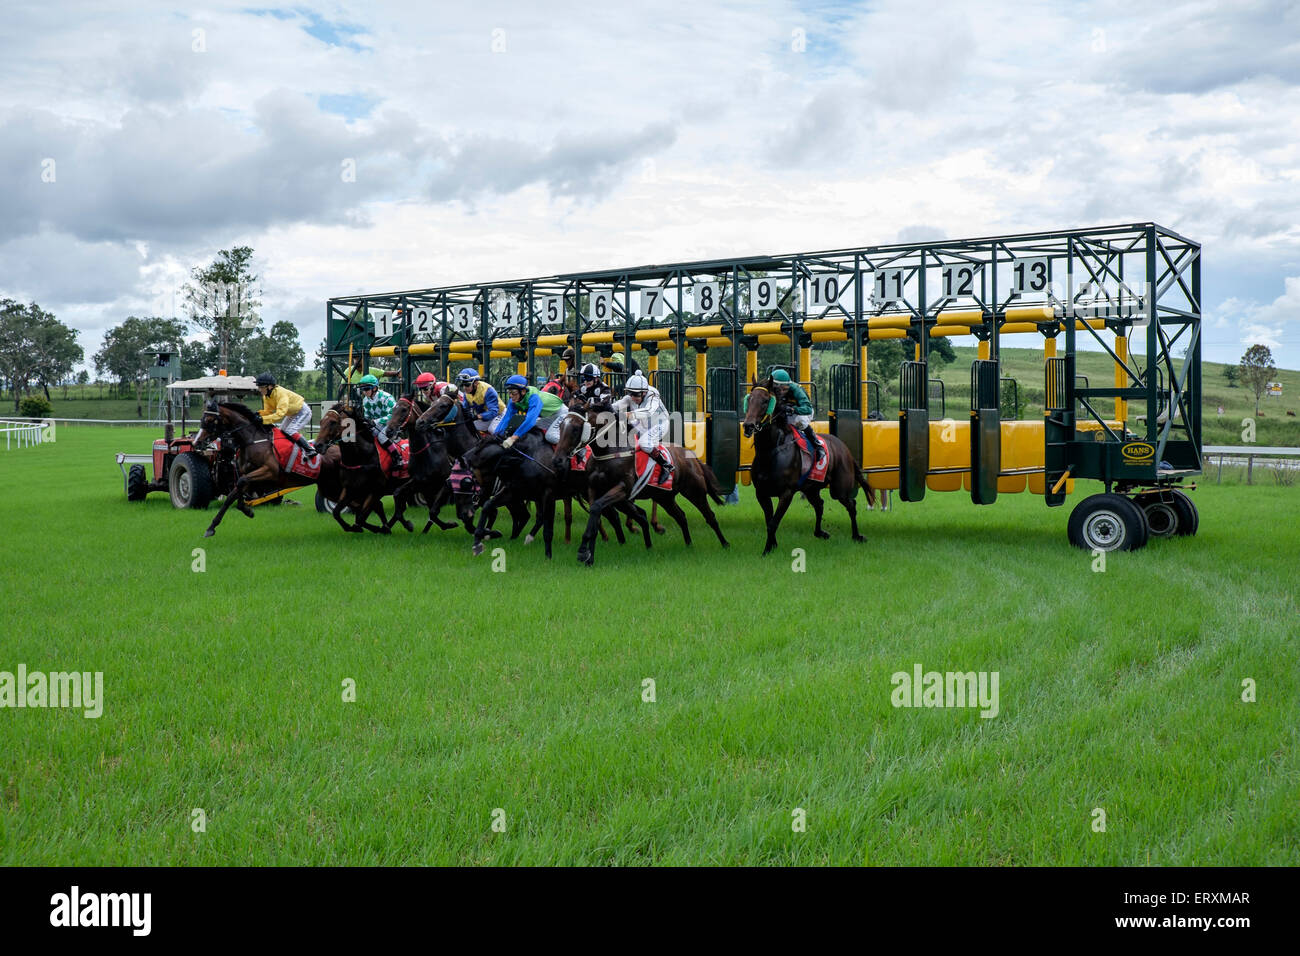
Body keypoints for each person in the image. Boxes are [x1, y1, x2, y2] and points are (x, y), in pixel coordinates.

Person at [613, 373, 673, 477]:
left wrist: (626, 415)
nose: (632, 397)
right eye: (630, 393)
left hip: (659, 423)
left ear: (644, 392)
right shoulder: (631, 397)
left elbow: (649, 411)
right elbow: (616, 405)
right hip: (643, 424)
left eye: (635, 394)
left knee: (644, 443)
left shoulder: (653, 395)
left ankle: (666, 465)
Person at [493, 374, 565, 448]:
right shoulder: (513, 401)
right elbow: (506, 419)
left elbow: (530, 421)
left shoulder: (534, 398)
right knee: (530, 430)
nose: (511, 396)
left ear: (523, 391)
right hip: (548, 416)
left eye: (513, 393)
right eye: (509, 392)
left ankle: (573, 446)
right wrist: (496, 436)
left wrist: (513, 438)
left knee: (551, 437)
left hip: (561, 413)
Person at [253, 372, 315, 456]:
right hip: (291, 413)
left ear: (270, 386)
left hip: (302, 411)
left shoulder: (280, 393)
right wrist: (259, 414)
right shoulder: (266, 396)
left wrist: (262, 419)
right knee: (281, 431)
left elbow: (279, 415)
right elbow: (268, 411)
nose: (259, 389)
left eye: (261, 387)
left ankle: (309, 449)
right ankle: (292, 449)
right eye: (259, 387)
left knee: (290, 430)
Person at [771, 369, 823, 466]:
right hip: (785, 412)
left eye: (784, 389)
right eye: (778, 389)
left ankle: (817, 445)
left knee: (799, 420)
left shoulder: (796, 390)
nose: (781, 392)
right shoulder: (771, 389)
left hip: (802, 412)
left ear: (788, 385)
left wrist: (793, 409)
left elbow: (807, 408)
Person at [356, 374, 405, 463]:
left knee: (381, 437)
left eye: (366, 389)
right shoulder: (365, 400)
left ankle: (397, 457)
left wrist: (375, 421)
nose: (364, 392)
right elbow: (367, 416)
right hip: (378, 425)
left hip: (391, 424)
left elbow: (393, 415)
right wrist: (366, 422)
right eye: (362, 389)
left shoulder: (386, 397)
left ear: (374, 388)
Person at [455, 367, 500, 433]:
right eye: (463, 385)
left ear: (475, 383)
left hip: (498, 414)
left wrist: (476, 416)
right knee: (468, 426)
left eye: (467, 385)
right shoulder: (467, 393)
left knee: (492, 429)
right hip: (485, 416)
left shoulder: (488, 391)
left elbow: (493, 412)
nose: (464, 388)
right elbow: (465, 409)